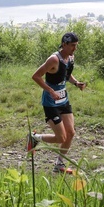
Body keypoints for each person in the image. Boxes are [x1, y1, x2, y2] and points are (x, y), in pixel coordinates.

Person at [28, 32, 86, 173]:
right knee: (61, 137)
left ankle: (59, 165)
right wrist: (50, 90)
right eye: (72, 45)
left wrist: (76, 83)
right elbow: (36, 76)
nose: (75, 49)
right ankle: (35, 138)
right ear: (64, 44)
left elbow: (66, 74)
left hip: (63, 100)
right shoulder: (53, 59)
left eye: (76, 45)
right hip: (50, 102)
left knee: (71, 133)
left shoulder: (71, 58)